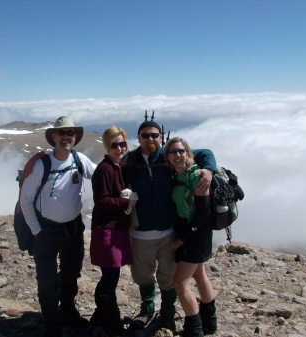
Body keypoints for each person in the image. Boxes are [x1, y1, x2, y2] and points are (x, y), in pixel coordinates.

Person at [123, 119, 216, 333]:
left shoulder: (169, 156)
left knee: (169, 278)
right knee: (142, 275)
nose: (150, 139)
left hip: (168, 233)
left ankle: (167, 314)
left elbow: (206, 153)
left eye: (154, 135)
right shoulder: (130, 161)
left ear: (161, 137)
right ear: (138, 138)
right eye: (145, 135)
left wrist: (209, 170)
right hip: (140, 233)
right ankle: (147, 309)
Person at [20, 116, 97, 337]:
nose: (66, 137)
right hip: (46, 230)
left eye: (70, 133)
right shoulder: (41, 165)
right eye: (62, 133)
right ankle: (52, 323)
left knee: (71, 274)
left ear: (75, 137)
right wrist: (37, 232)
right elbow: (26, 200)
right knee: (46, 279)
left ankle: (68, 312)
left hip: (73, 228)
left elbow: (101, 174)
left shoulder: (79, 159)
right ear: (54, 136)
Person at [164, 137, 216, 337]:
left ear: (187, 153)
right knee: (199, 274)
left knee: (180, 282)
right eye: (173, 152)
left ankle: (194, 330)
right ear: (167, 157)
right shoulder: (179, 175)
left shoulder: (196, 176)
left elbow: (203, 213)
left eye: (181, 151)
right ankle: (209, 323)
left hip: (196, 233)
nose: (178, 155)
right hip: (196, 233)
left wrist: (181, 240)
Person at [89, 126, 136, 336]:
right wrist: (126, 201)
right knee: (110, 277)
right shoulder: (104, 169)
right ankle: (112, 324)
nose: (119, 148)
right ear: (107, 146)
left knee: (111, 276)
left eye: (122, 144)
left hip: (118, 229)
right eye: (114, 145)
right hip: (106, 230)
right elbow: (102, 202)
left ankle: (98, 319)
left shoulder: (122, 165)